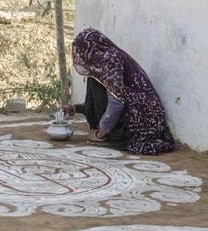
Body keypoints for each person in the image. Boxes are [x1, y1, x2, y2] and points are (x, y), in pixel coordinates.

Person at [63, 27, 176, 155]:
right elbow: (101, 101)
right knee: (93, 76)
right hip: (131, 109)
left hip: (140, 118)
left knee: (94, 80)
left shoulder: (110, 61)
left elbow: (116, 102)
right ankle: (108, 131)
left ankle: (110, 134)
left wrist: (100, 134)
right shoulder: (102, 62)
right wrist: (75, 108)